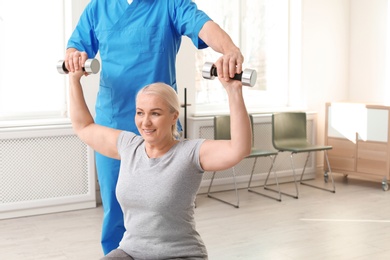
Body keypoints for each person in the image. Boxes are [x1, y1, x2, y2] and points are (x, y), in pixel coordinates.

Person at [65, 0, 244, 254]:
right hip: (113, 122)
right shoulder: (98, 7)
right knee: (117, 211)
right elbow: (76, 47)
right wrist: (74, 57)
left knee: (165, 209)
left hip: (161, 127)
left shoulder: (170, 4)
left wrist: (230, 50)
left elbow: (203, 25)